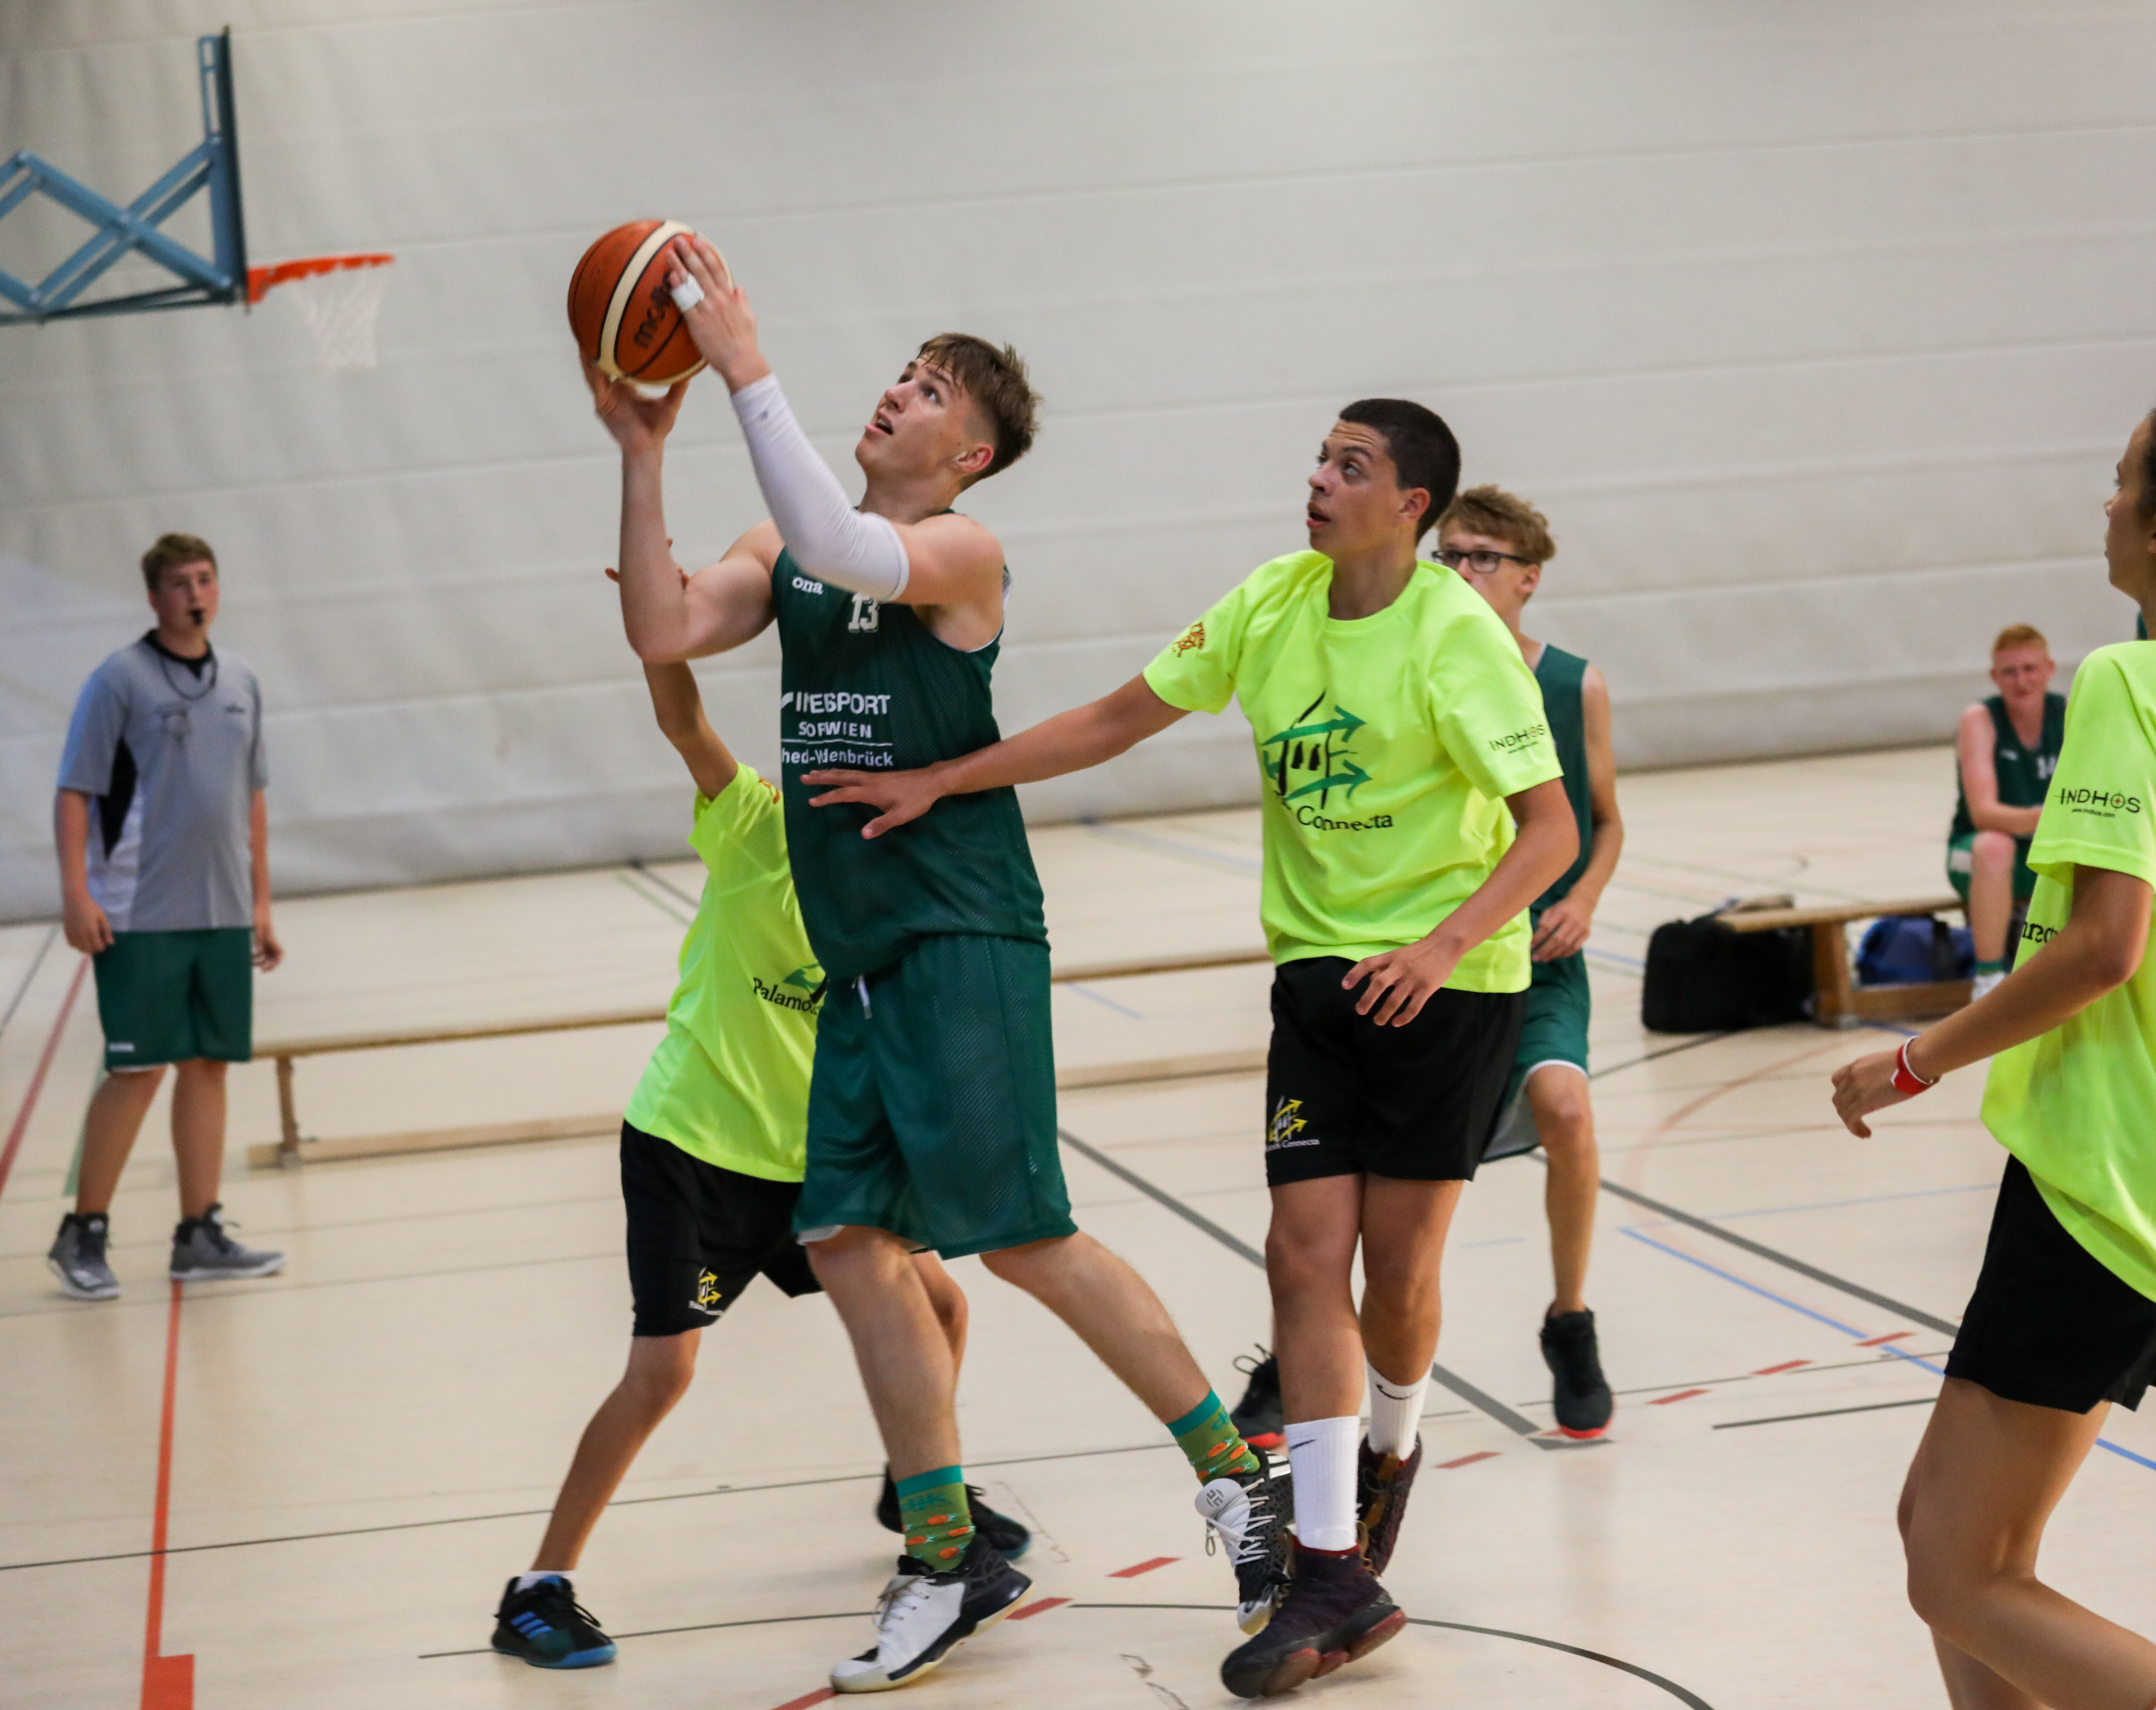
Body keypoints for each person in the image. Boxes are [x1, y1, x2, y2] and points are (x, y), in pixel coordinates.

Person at [591, 237, 1285, 1696]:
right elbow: (662, 626)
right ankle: (946, 1551)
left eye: (927, 392)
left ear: (968, 455)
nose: (897, 394)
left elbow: (850, 550)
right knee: (849, 1245)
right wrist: (643, 451)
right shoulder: (786, 544)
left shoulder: (964, 557)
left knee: (1023, 1238)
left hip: (959, 933)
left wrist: (745, 369)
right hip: (854, 961)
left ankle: (1239, 1481)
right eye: (899, 374)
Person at [804, 398, 1579, 1699]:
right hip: (1317, 978)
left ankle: (1390, 1447)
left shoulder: (1457, 635)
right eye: (1320, 456)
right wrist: (946, 778)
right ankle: (1327, 1565)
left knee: (1398, 1274)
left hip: (1446, 986)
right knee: (1300, 1254)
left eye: (1351, 466)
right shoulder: (1271, 602)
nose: (1318, 478)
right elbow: (1117, 717)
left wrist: (1441, 945)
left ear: (1410, 508)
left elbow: (1547, 829)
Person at [1831, 394, 2156, 1710]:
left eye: (2118, 481)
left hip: (2100, 1187)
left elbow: (2104, 946)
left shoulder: (2128, 684)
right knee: (1951, 1544)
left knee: (1958, 1570)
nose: (2102, 504)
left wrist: (1915, 1060)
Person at [489, 622, 1022, 1668]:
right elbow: (683, 721)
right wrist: (659, 630)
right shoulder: (753, 829)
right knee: (663, 1372)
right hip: (696, 1147)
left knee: (942, 1307)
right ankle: (536, 1587)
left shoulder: (889, 887)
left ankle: (917, 1489)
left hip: (817, 1156)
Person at [46, 534, 284, 1300]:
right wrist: (77, 894)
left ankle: (199, 1234)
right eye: (180, 583)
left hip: (222, 910)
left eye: (206, 580)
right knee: (138, 1070)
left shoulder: (241, 679)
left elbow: (251, 798)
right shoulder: (119, 680)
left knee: (208, 1065)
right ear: (154, 598)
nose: (195, 594)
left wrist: (261, 903)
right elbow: (75, 791)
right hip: (139, 914)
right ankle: (82, 1232)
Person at [1432, 485, 1622, 1437]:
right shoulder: (1417, 667)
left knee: (1569, 1109)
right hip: (1440, 959)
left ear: (1528, 578)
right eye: (1448, 556)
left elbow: (1606, 821)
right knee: (1392, 1181)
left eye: (1482, 557)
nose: (1462, 573)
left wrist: (1583, 899)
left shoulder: (1575, 685)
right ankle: (1306, 1348)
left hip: (1539, 959)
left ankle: (1570, 1319)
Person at [1949, 626, 2065, 999]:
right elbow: (1983, 814)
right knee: (1994, 847)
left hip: (2045, 851)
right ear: (1994, 676)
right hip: (1975, 856)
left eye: (2030, 669)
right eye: (2010, 672)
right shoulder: (1980, 719)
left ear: (2049, 669)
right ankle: (1989, 979)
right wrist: (2051, 817)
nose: (2021, 681)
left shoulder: (2070, 713)